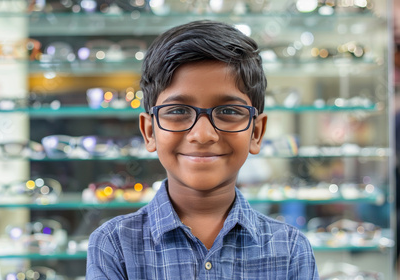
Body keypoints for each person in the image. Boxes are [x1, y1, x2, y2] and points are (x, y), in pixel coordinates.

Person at [86, 20, 319, 279]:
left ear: (256, 132)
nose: (203, 134)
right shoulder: (114, 245)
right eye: (178, 111)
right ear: (150, 131)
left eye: (229, 111)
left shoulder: (290, 249)